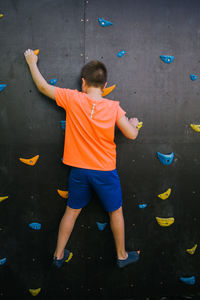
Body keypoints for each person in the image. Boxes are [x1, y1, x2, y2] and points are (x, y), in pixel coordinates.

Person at [24, 49, 140, 269]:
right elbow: (131, 134)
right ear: (104, 86)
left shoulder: (73, 98)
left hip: (79, 171)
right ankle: (122, 256)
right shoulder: (113, 107)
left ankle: (58, 255)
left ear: (84, 83)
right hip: (105, 171)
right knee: (115, 211)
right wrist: (132, 123)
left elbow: (42, 87)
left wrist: (31, 62)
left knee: (72, 210)